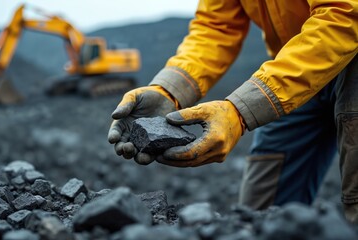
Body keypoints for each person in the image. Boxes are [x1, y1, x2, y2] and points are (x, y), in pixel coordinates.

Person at [108, 0, 358, 222]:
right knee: (260, 218)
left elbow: (344, 14)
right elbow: (216, 27)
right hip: (296, 75)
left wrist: (241, 109)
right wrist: (169, 90)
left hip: (348, 60)